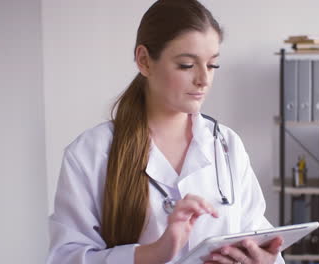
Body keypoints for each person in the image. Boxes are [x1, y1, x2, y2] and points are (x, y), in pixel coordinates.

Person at [47, 0, 286, 263]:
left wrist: (264, 260)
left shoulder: (227, 145)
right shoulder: (90, 154)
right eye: (186, 65)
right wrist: (155, 252)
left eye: (212, 65)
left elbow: (258, 234)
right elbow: (65, 258)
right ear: (144, 61)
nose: (204, 79)